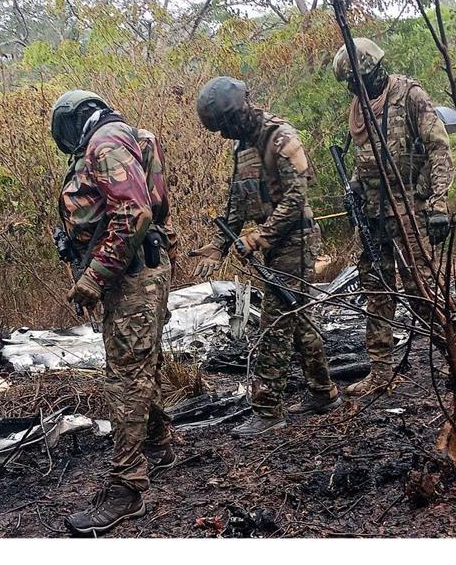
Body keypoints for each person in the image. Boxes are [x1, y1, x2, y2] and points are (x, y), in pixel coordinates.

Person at [50, 89, 175, 536]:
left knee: (125, 377)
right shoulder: (129, 136)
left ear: (72, 121)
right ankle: (159, 443)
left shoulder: (104, 144)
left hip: (132, 275)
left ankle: (127, 489)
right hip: (141, 271)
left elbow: (134, 213)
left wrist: (93, 278)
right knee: (140, 367)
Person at [191, 77, 341, 437]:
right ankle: (324, 392)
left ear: (241, 111)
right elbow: (236, 201)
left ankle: (268, 409)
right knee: (299, 316)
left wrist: (258, 237)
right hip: (272, 244)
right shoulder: (242, 148)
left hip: (296, 240)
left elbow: (295, 200)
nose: (225, 134)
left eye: (226, 126)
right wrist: (219, 244)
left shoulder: (281, 137)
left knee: (275, 322)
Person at [331, 38, 453, 397]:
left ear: (375, 70)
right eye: (351, 85)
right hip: (374, 215)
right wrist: (353, 187)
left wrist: (439, 204)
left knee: (422, 291)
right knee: (377, 293)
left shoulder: (409, 95)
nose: (356, 89)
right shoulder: (359, 109)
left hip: (410, 211)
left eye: (359, 81)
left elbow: (439, 150)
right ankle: (382, 371)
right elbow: (362, 160)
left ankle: (454, 358)